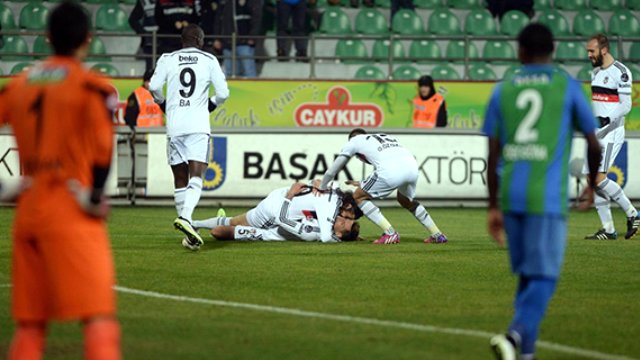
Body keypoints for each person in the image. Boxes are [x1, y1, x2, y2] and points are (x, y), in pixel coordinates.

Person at [0, 2, 121, 359]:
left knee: (30, 325)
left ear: (47, 37)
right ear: (88, 39)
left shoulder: (18, 85)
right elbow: (102, 149)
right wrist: (95, 195)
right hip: (71, 208)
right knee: (98, 317)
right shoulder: (90, 88)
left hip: (29, 209)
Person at [483, 23, 601, 360]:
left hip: (512, 197)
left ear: (520, 52)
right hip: (545, 199)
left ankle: (525, 355)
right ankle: (515, 337)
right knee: (545, 279)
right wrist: (592, 184)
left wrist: (493, 206)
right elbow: (593, 143)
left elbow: (492, 154)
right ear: (552, 52)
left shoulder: (503, 90)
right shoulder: (566, 86)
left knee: (527, 279)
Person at [149, 23, 229, 251]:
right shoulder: (209, 60)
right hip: (197, 125)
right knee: (197, 174)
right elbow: (223, 93)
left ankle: (188, 230)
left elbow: (154, 86)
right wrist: (211, 105)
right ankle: (186, 220)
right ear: (200, 41)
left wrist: (163, 103)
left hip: (174, 125)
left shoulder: (167, 58)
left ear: (182, 41)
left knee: (180, 178)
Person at [318, 128, 448, 245]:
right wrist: (363, 183)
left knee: (358, 196)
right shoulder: (381, 137)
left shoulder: (353, 142)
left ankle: (390, 233)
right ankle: (437, 234)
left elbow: (332, 171)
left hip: (391, 170)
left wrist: (322, 187)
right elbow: (387, 161)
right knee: (405, 200)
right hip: (412, 166)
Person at [583, 33, 640, 240]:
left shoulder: (621, 72)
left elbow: (625, 105)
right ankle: (608, 229)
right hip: (597, 132)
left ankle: (634, 214)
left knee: (599, 177)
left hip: (611, 132)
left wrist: (606, 119)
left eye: (592, 51)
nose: (589, 55)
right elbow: (598, 101)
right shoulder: (596, 72)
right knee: (591, 178)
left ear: (604, 50)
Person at [192, 182, 359, 246]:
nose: (344, 218)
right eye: (348, 217)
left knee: (228, 225)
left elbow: (319, 183)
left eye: (346, 221)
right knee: (232, 223)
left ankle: (195, 224)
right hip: (274, 210)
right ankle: (194, 225)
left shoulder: (334, 193)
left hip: (278, 201)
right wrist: (290, 196)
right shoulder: (329, 211)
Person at [213, 0, 262, 78]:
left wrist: (252, 36)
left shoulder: (252, 2)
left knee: (249, 72)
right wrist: (217, 38)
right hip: (227, 42)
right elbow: (218, 20)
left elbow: (256, 19)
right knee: (230, 73)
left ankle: (251, 89)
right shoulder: (224, 2)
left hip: (245, 42)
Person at [128, 0, 159, 71]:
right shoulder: (143, 1)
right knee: (150, 68)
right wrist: (144, 33)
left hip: (167, 39)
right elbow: (132, 20)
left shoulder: (168, 2)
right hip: (149, 41)